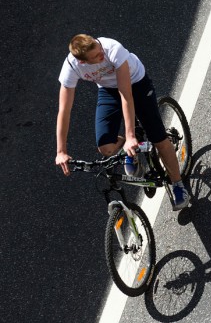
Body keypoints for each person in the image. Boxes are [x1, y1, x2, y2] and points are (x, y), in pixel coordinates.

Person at [55, 34, 189, 211]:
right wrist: (61, 151)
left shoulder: (113, 49)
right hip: (108, 89)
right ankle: (133, 147)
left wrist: (130, 135)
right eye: (96, 56)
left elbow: (126, 94)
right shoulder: (71, 67)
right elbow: (64, 110)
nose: (102, 55)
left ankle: (178, 185)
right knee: (106, 148)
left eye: (99, 49)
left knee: (158, 138)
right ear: (83, 63)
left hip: (136, 83)